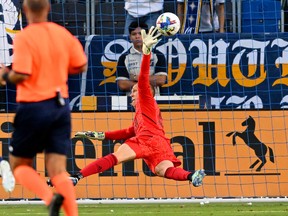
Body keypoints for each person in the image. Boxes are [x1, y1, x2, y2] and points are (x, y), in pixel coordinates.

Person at [71, 26, 206, 188]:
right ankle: (191, 176)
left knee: (115, 157)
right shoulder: (143, 114)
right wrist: (97, 134)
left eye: (135, 91)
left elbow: (143, 79)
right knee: (164, 170)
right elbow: (126, 132)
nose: (133, 94)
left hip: (146, 140)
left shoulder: (146, 100)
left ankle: (77, 177)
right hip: (160, 143)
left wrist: (147, 52)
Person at [0, 0, 87, 215]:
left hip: (34, 106)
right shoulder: (62, 33)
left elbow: (22, 74)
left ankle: (49, 199)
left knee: (18, 166)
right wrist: (56, 65)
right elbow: (81, 64)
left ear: (25, 10)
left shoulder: (25, 37)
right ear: (48, 8)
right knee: (58, 171)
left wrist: (4, 75)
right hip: (60, 107)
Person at [117, 21, 167, 96]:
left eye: (140, 33)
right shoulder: (124, 57)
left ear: (147, 35)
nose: (137, 36)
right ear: (130, 37)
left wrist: (135, 77)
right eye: (134, 34)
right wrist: (148, 81)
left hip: (154, 100)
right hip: (132, 101)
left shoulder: (158, 55)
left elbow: (161, 80)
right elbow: (122, 85)